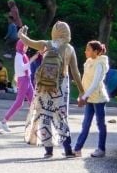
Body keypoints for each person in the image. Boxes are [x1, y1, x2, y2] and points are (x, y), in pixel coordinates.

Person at [18, 22, 84, 158]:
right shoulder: (69, 48)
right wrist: (82, 91)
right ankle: (67, 149)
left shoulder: (46, 44)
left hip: (43, 84)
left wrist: (21, 33)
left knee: (44, 114)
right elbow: (76, 72)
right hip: (60, 86)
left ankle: (48, 150)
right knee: (61, 116)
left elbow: (27, 41)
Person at [72, 40, 110, 158]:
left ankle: (101, 149)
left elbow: (95, 83)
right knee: (86, 124)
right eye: (86, 49)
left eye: (88, 49)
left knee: (100, 124)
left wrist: (84, 97)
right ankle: (77, 149)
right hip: (89, 98)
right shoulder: (88, 62)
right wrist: (81, 94)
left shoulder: (100, 63)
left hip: (98, 98)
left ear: (96, 51)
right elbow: (84, 80)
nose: (85, 51)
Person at [0, 40, 34, 132]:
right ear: (21, 46)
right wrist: (33, 59)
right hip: (23, 80)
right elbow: (22, 68)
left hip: (27, 79)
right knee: (19, 103)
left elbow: (26, 69)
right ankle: (3, 122)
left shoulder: (22, 55)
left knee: (34, 101)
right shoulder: (19, 56)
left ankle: (32, 121)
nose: (27, 47)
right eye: (25, 46)